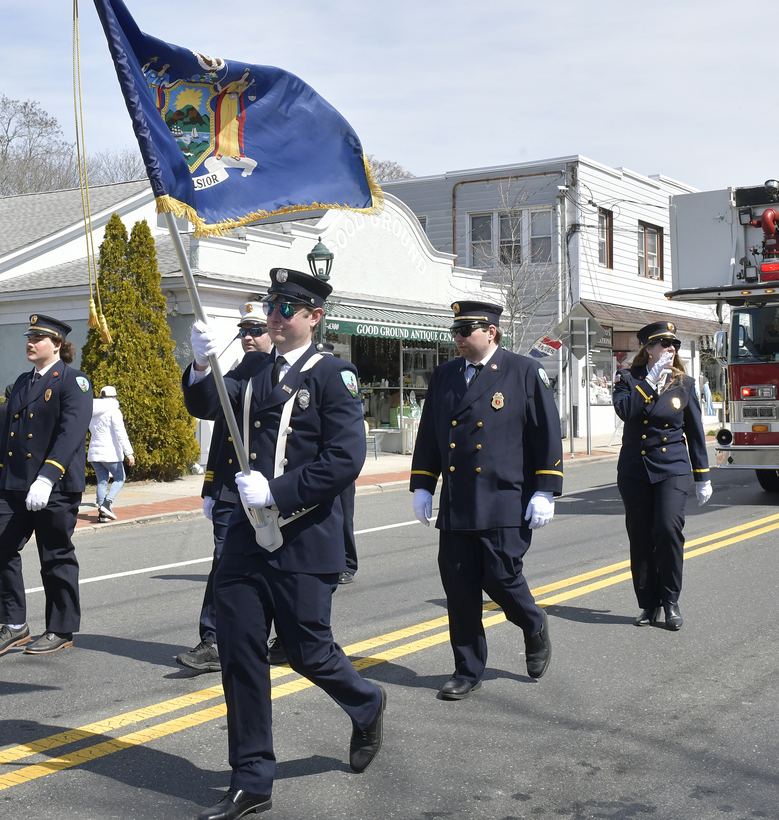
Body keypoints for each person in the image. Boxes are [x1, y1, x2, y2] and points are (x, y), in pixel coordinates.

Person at [184, 268, 385, 820]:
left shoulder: (332, 375)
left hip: (303, 535)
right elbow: (208, 405)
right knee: (240, 655)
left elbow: (345, 459)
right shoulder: (253, 367)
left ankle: (366, 702)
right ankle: (252, 778)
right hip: (249, 539)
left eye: (288, 308)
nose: (276, 315)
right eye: (272, 305)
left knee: (306, 651)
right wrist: (202, 364)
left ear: (313, 318)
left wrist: (276, 490)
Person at [409, 300, 561, 701]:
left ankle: (532, 623)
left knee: (501, 578)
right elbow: (429, 433)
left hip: (505, 498)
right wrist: (424, 483)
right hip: (459, 501)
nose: (457, 339)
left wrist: (545, 489)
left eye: (465, 332)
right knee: (459, 589)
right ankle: (467, 668)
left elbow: (547, 432)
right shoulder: (444, 376)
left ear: (490, 331)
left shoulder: (523, 370)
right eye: (454, 332)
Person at [0, 314, 95, 657]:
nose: (30, 343)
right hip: (14, 483)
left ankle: (60, 627)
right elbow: (8, 435)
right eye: (29, 337)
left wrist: (47, 477)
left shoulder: (73, 382)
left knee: (55, 555)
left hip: (53, 486)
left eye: (38, 338)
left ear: (57, 344)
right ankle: (15, 625)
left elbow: (70, 434)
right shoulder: (21, 382)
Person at [177, 301, 271, 673]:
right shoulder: (238, 373)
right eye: (243, 331)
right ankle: (213, 639)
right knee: (224, 565)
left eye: (256, 330)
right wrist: (201, 365)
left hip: (277, 493)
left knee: (276, 569)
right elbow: (217, 429)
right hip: (234, 493)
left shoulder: (297, 373)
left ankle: (280, 635)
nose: (248, 337)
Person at [611, 320, 713, 631]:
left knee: (667, 530)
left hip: (672, 468)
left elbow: (695, 432)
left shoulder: (684, 383)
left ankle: (670, 600)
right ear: (648, 349)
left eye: (674, 344)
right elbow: (626, 411)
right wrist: (650, 380)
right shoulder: (628, 378)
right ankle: (648, 603)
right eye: (663, 343)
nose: (671, 348)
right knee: (640, 538)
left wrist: (703, 475)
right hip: (635, 470)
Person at [88, 385, 134, 522]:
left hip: (94, 453)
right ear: (114, 397)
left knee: (102, 481)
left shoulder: (92, 412)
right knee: (120, 478)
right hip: (110, 453)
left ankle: (102, 515)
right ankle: (107, 504)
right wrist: (129, 453)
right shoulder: (114, 411)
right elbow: (121, 434)